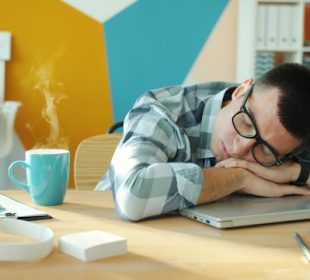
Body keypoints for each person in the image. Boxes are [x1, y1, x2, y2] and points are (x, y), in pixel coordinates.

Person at [96, 63, 310, 221]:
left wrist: (294, 172)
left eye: (265, 149)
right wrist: (239, 178)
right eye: (245, 122)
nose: (240, 148)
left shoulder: (290, 134)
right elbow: (132, 195)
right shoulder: (162, 111)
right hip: (109, 233)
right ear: (241, 91)